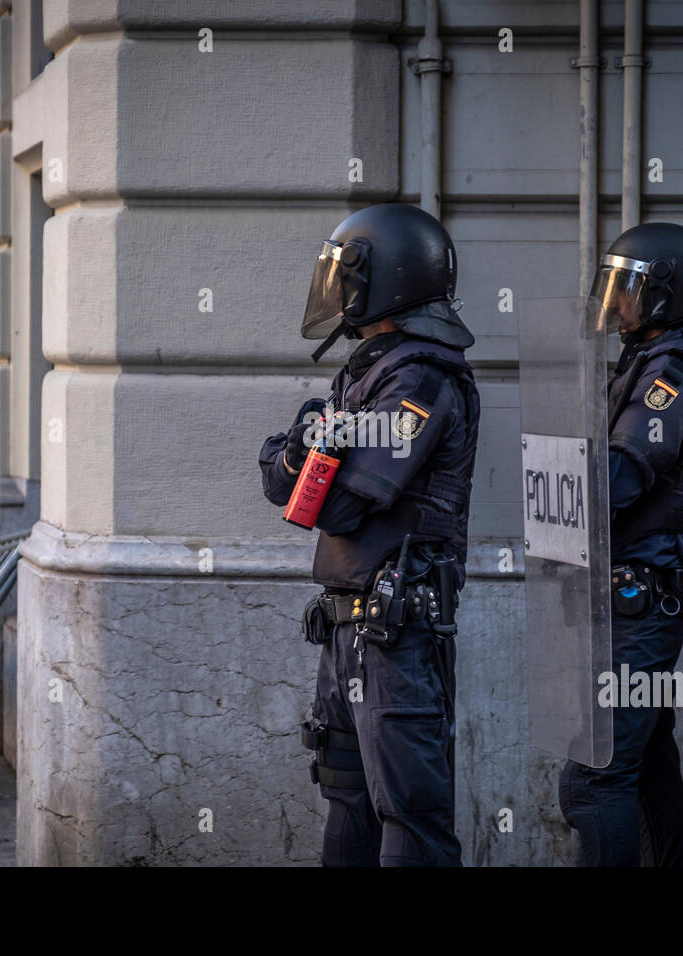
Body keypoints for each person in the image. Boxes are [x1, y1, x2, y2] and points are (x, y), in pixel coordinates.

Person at [258, 203, 480, 866]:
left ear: (386, 283)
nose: (336, 292)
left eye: (346, 276)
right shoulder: (369, 371)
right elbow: (282, 480)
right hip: (348, 625)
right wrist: (303, 451)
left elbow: (347, 504)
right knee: (347, 790)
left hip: (396, 629)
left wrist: (310, 455)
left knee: (409, 813)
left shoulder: (419, 379)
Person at [559, 221, 683, 866]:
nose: (616, 302)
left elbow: (620, 475)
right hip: (627, 598)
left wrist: (562, 474)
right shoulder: (649, 363)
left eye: (629, 288)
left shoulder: (674, 373)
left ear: (668, 294)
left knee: (595, 778)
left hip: (642, 600)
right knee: (648, 764)